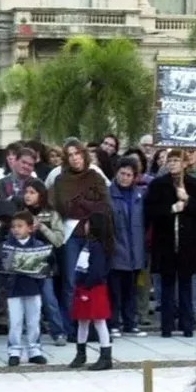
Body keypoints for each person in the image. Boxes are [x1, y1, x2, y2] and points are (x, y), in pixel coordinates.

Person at [51, 139, 113, 340]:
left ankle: (92, 326)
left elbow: (103, 205)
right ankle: (69, 328)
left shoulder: (95, 177)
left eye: (77, 153)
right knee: (70, 282)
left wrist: (83, 205)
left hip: (93, 235)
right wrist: (87, 204)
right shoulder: (61, 180)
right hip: (71, 235)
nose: (75, 158)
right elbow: (64, 206)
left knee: (93, 282)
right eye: (70, 155)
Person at [146, 150, 196, 337]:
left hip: (188, 243)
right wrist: (171, 208)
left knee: (185, 285)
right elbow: (151, 211)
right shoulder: (158, 185)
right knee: (166, 285)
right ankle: (166, 326)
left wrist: (188, 201)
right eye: (170, 160)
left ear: (184, 163)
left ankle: (187, 325)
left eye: (177, 160)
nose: (173, 164)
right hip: (165, 241)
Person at [0, 211, 52, 366]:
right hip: (13, 289)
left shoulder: (39, 246)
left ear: (30, 228)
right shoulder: (6, 246)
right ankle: (14, 350)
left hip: (33, 289)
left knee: (33, 321)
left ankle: (34, 350)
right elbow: (1, 267)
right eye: (13, 226)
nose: (16, 229)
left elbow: (46, 268)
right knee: (15, 321)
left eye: (20, 226)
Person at [21, 179, 69, 347]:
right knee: (27, 299)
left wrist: (41, 227)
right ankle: (32, 333)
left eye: (32, 192)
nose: (27, 195)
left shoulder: (51, 214)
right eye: (26, 192)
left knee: (48, 298)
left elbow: (58, 240)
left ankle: (59, 332)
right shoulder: (20, 213)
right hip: (24, 262)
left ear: (41, 195)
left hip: (44, 262)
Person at [68, 211, 115, 372]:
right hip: (84, 286)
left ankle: (105, 356)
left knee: (99, 321)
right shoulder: (90, 244)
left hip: (93, 288)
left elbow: (97, 270)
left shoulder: (97, 246)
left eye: (88, 223)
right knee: (82, 320)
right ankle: (80, 353)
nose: (85, 226)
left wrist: (86, 286)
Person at [108, 157, 147, 336]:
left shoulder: (139, 195)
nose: (125, 177)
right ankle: (114, 323)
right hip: (116, 249)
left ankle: (131, 323)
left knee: (131, 290)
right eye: (122, 173)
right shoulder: (108, 194)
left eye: (129, 175)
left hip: (135, 250)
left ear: (134, 177)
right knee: (115, 291)